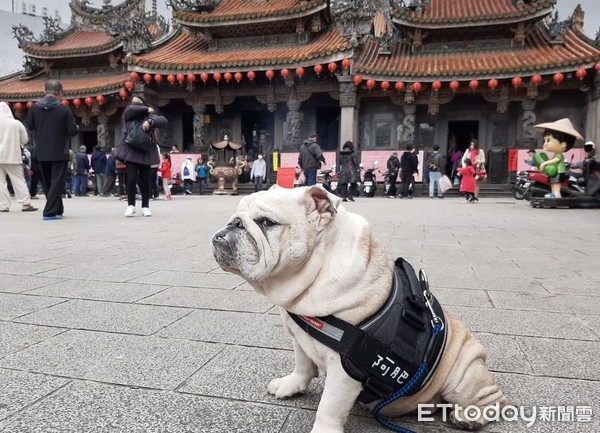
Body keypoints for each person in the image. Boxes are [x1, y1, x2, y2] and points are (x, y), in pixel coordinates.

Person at [26, 79, 79, 220]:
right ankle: (49, 212)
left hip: (42, 151)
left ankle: (57, 209)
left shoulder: (34, 108)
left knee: (48, 181)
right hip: (59, 151)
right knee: (57, 181)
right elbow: (73, 131)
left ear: (45, 91)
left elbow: (30, 125)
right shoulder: (64, 109)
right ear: (60, 92)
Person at [117, 96, 168, 217]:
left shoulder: (149, 116)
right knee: (131, 179)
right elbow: (130, 110)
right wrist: (147, 109)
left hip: (145, 150)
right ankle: (131, 205)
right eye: (134, 101)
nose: (136, 104)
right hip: (131, 150)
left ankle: (145, 206)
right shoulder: (128, 116)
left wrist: (150, 121)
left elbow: (163, 120)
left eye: (138, 101)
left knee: (145, 181)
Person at [0, 101, 38, 213]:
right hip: (13, 156)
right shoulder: (16, 123)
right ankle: (25, 203)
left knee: (1, 183)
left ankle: (3, 205)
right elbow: (25, 139)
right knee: (18, 181)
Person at [533, 118, 583, 199]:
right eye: (545, 140)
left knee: (556, 183)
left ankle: (556, 194)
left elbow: (556, 160)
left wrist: (545, 163)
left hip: (558, 171)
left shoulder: (559, 155)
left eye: (548, 140)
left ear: (563, 144)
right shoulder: (556, 154)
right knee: (553, 183)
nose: (545, 144)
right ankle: (554, 193)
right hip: (554, 171)